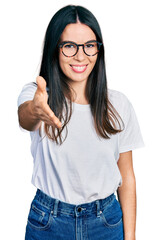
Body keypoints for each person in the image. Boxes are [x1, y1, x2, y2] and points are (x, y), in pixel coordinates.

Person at [17, 5, 144, 240]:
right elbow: (26, 118)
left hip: (105, 222)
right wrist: (35, 110)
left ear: (98, 50)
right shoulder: (38, 96)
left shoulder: (118, 104)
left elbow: (126, 176)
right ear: (54, 49)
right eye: (69, 46)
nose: (80, 55)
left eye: (89, 46)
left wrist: (131, 236)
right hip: (48, 222)